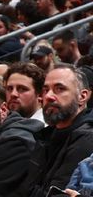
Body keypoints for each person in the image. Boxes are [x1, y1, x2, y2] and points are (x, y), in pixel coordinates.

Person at [21, 65, 93, 197]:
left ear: (82, 97)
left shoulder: (87, 138)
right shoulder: (48, 133)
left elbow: (54, 194)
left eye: (60, 89)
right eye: (45, 89)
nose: (48, 96)